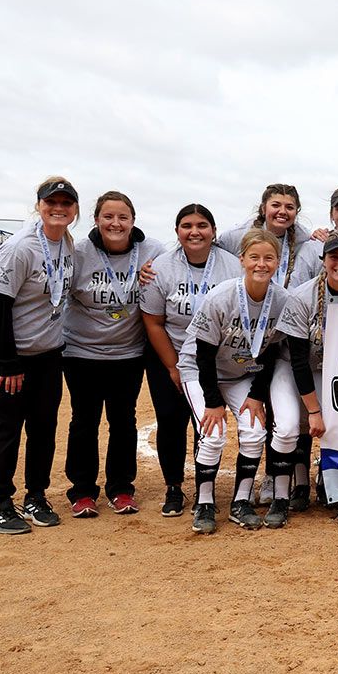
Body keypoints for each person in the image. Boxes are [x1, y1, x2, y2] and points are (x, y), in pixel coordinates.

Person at [0, 177, 79, 534]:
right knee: (6, 428)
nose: (59, 208)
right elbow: (0, 306)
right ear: (39, 205)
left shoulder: (66, 242)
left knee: (43, 427)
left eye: (66, 203)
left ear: (75, 210)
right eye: (52, 202)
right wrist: (9, 362)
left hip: (47, 353)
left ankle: (36, 496)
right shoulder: (20, 247)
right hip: (5, 351)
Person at [61, 191, 165, 517]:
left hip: (128, 353)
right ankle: (82, 492)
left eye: (123, 217)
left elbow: (187, 262)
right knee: (84, 420)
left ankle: (121, 489)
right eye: (108, 217)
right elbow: (43, 282)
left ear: (133, 221)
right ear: (96, 220)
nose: (115, 223)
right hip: (81, 352)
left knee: (123, 421)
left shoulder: (153, 252)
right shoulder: (77, 252)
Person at [177, 229, 287, 533]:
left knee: (254, 431)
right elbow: (202, 355)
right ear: (242, 260)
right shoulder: (221, 296)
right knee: (212, 433)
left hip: (243, 374)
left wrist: (256, 395)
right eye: (254, 257)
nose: (261, 264)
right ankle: (205, 502)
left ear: (278, 262)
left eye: (268, 258)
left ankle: (241, 502)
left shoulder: (281, 300)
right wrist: (213, 402)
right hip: (201, 372)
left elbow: (273, 354)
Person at [141, 204, 242, 517]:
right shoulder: (161, 267)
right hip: (168, 353)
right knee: (171, 421)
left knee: (206, 423)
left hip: (216, 359)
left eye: (202, 225)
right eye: (186, 225)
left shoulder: (231, 265)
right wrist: (173, 365)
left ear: (214, 231)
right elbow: (153, 321)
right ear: (176, 232)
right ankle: (173, 487)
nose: (194, 231)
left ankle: (204, 487)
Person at [273, 233, 338, 529]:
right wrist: (313, 410)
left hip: (335, 370)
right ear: (323, 261)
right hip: (294, 366)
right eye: (334, 257)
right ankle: (286, 494)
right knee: (288, 426)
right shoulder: (302, 296)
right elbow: (298, 360)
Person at [217, 183, 316, 290]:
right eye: (275, 205)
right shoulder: (235, 236)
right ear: (263, 209)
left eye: (289, 207)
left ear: (296, 212)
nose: (282, 211)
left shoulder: (303, 238)